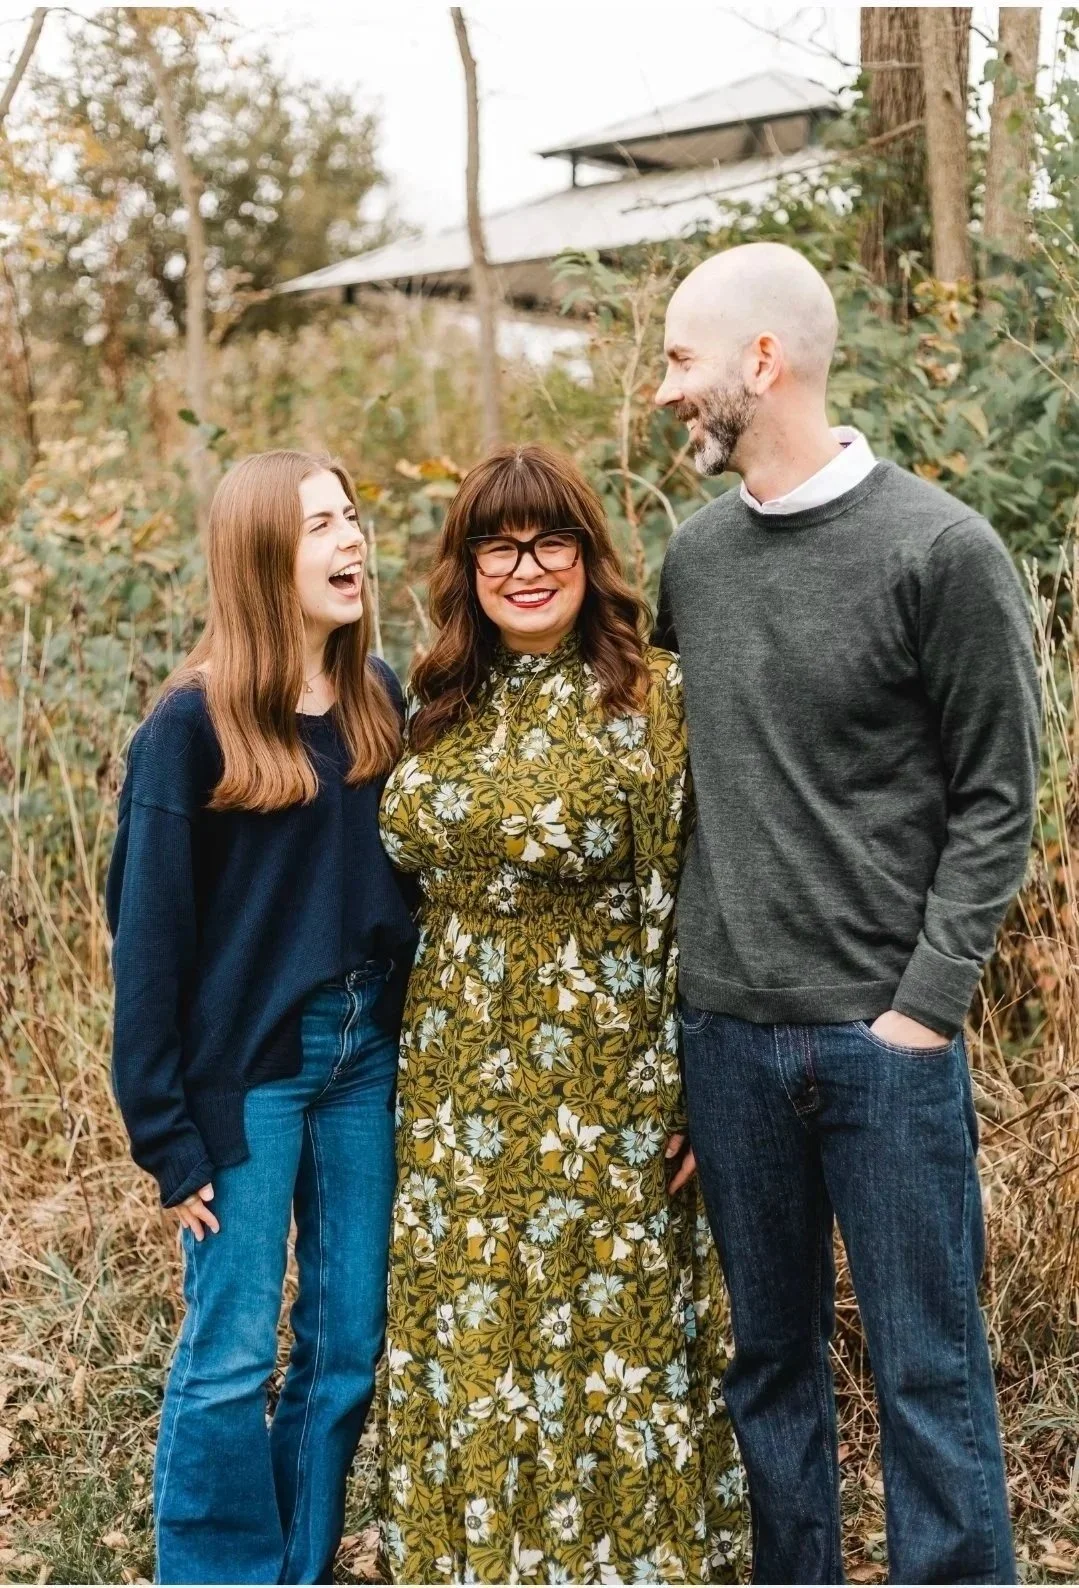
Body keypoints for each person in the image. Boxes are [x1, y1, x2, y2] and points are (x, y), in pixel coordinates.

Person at [653, 241, 1040, 1586]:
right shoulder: (693, 561)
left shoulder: (940, 550)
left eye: (679, 359)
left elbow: (997, 796)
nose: (664, 390)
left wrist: (922, 1010)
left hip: (883, 1047)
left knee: (927, 1373)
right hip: (725, 1044)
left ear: (760, 362)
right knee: (768, 1369)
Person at [377, 443, 743, 1585]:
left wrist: (690, 1087)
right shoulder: (434, 703)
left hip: (601, 1091)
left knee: (608, 1355)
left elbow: (693, 901)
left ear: (589, 555)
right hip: (450, 1092)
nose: (525, 567)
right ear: (466, 564)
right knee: (474, 1348)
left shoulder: (656, 699)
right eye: (498, 545)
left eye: (550, 541)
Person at [106, 450, 418, 1585]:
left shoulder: (378, 693)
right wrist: (164, 1130)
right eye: (317, 525)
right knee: (231, 1354)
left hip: (363, 1058)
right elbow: (146, 942)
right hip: (245, 1076)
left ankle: (295, 1564)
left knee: (345, 1346)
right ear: (258, 557)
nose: (350, 541)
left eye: (350, 516)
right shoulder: (190, 726)